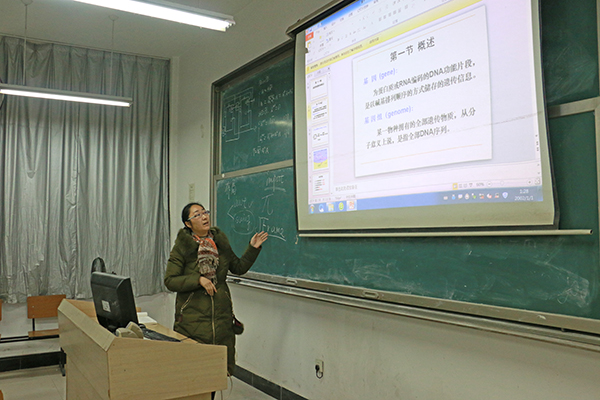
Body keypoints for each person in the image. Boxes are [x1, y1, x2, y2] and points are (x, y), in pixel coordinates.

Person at [164, 202, 268, 381]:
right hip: (192, 321)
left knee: (216, 376)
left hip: (221, 320)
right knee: (194, 376)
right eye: (197, 215)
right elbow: (170, 281)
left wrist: (252, 248)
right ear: (188, 224)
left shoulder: (220, 243)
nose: (204, 217)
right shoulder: (182, 247)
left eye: (204, 212)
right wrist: (198, 280)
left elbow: (238, 267)